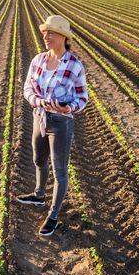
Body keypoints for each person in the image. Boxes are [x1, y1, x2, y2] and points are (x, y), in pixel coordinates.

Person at [17, 15, 88, 236]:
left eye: (51, 32)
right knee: (38, 159)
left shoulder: (75, 65)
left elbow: (82, 98)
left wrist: (69, 108)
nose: (46, 36)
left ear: (64, 37)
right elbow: (28, 89)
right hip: (40, 116)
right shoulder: (38, 60)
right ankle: (39, 195)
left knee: (60, 171)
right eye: (45, 32)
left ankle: (53, 216)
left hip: (61, 123)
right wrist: (39, 102)